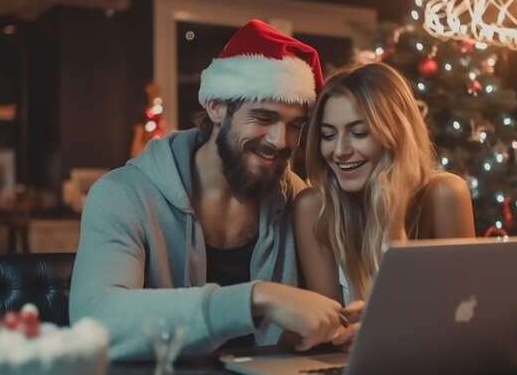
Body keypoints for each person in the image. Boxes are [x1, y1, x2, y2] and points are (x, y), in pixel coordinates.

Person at [70, 19, 347, 360]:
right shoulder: (123, 194)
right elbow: (95, 322)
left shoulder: (298, 199)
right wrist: (255, 298)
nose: (280, 141)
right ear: (216, 106)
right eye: (263, 118)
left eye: (294, 126)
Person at [295, 62, 475, 326]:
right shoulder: (312, 208)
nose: (340, 150)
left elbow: (467, 317)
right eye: (328, 135)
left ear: (396, 134)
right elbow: (328, 330)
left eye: (358, 133)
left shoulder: (445, 194)